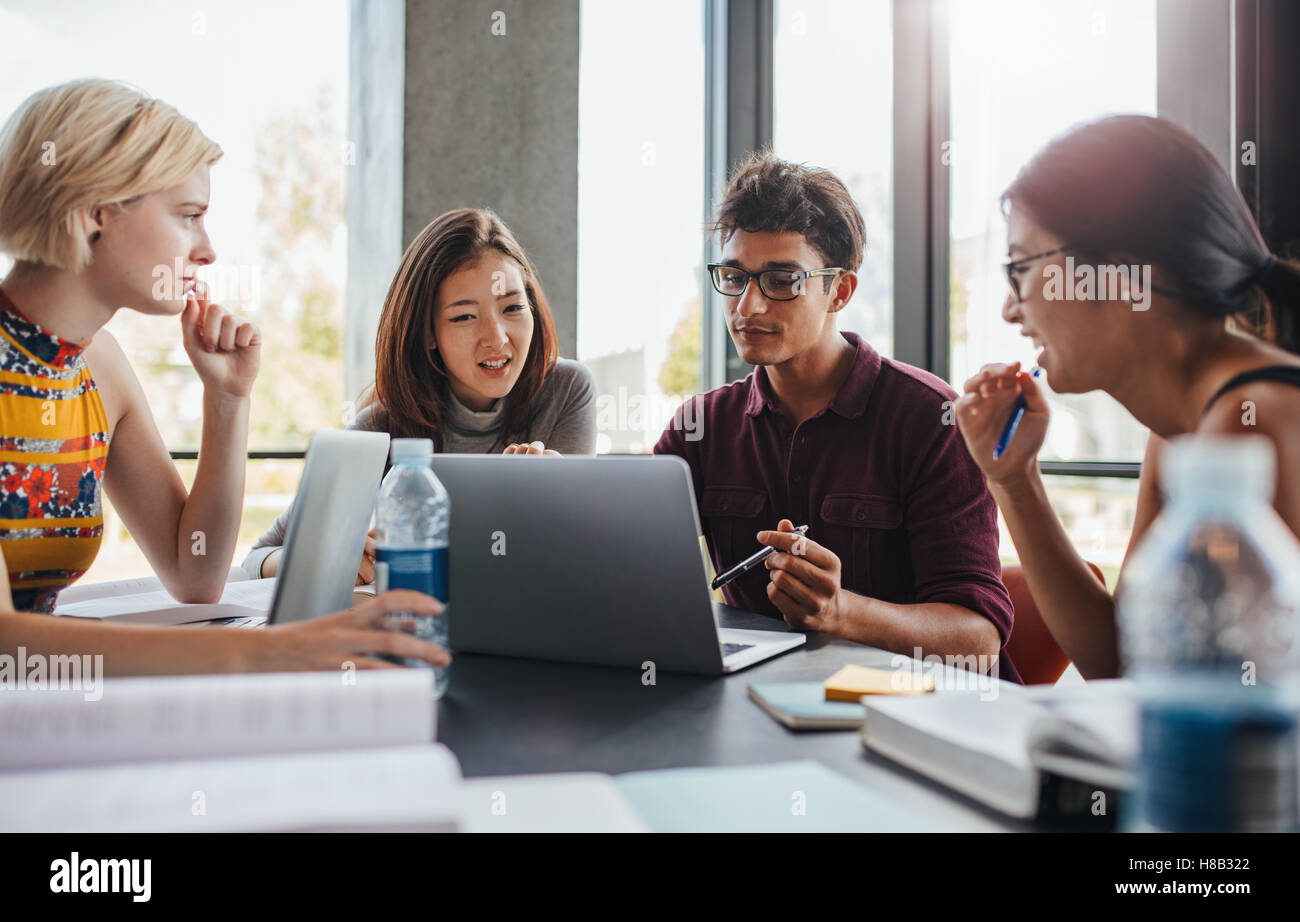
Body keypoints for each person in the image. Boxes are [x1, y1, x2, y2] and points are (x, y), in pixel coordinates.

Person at [0, 79, 446, 674]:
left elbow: (195, 575)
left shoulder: (99, 365)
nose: (208, 250)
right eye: (188, 216)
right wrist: (270, 650)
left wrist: (227, 397)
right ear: (95, 213)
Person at [953, 114, 1300, 680]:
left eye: (1021, 269)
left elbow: (1215, 697)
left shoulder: (1250, 421)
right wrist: (1012, 478)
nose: (1010, 309)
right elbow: (1121, 662)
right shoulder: (1183, 427)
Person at [655, 151, 1018, 680]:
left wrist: (841, 613)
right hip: (762, 705)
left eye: (782, 280)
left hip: (916, 711)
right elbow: (628, 563)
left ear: (839, 291)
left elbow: (979, 641)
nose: (748, 307)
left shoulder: (930, 418)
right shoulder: (701, 427)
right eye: (734, 277)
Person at [244, 207, 596, 582]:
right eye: (464, 316)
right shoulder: (381, 427)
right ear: (427, 333)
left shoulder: (566, 389)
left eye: (512, 307)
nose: (496, 338)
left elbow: (572, 557)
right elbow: (257, 557)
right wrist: (333, 557)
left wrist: (558, 498)